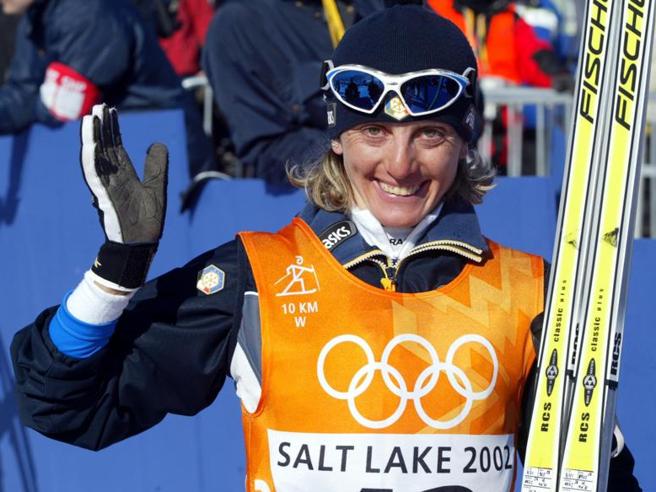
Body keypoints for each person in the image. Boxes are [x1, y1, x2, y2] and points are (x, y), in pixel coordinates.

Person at [11, 6, 640, 491]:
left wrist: (599, 452)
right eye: (373, 131)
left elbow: (599, 476)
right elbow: (63, 405)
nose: (400, 164)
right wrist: (114, 272)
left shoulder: (530, 294)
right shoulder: (258, 277)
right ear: (337, 139)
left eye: (429, 134)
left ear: (463, 142)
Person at [0, 0, 215, 181]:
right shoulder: (36, 16)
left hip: (160, 157)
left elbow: (63, 106)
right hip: (112, 161)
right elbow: (21, 91)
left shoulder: (88, 11)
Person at [202, 0, 384, 185]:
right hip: (331, 190)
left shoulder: (370, 7)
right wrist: (362, 158)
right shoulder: (239, 25)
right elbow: (269, 149)